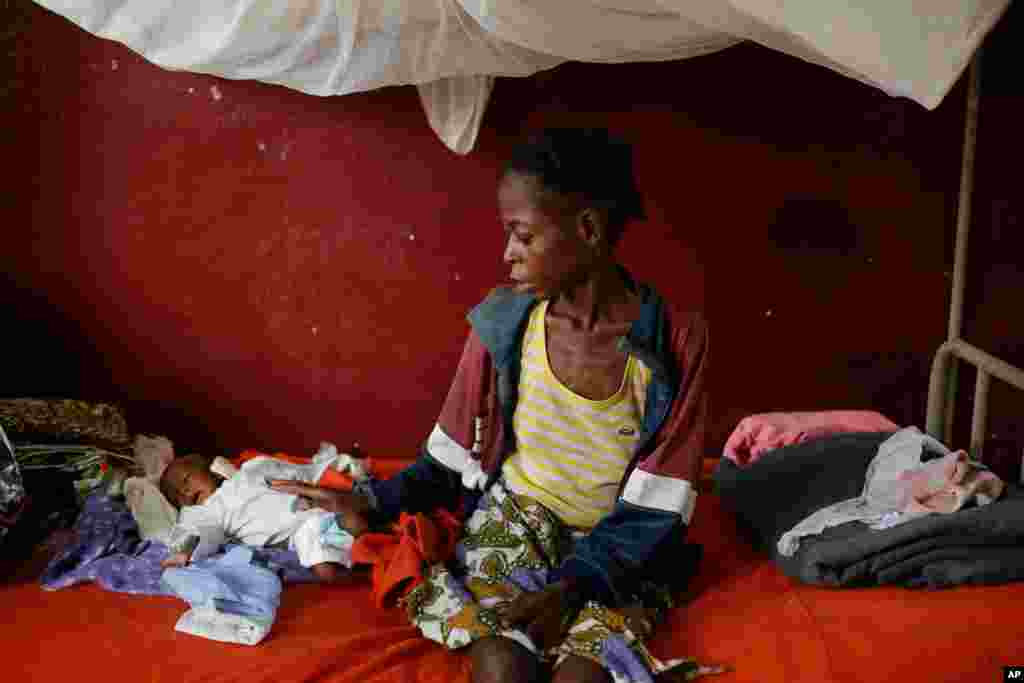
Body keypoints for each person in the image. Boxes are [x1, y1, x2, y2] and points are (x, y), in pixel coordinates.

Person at [272, 128, 711, 683]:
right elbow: (449, 458)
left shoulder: (673, 342)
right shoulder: (505, 323)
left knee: (584, 676)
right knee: (502, 664)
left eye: (522, 236)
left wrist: (572, 586)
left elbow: (662, 506)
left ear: (589, 230)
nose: (508, 254)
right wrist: (370, 500)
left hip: (618, 545)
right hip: (516, 524)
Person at [159, 453, 364, 582]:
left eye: (186, 480)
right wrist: (184, 552)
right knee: (325, 571)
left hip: (315, 512)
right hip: (299, 534)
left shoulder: (250, 472)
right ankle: (366, 574)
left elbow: (300, 473)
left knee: (353, 519)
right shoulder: (204, 511)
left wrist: (334, 467)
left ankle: (371, 531)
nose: (185, 492)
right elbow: (197, 532)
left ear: (212, 470)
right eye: (178, 495)